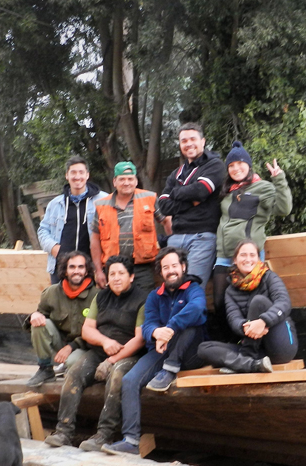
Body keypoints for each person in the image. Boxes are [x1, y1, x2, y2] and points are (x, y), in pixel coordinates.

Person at [102, 247, 207, 455]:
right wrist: (157, 332)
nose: (171, 271)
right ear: (161, 272)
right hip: (161, 350)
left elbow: (196, 309)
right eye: (165, 267)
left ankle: (170, 369)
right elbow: (148, 324)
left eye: (174, 266)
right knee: (129, 380)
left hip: (190, 354)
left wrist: (170, 327)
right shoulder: (154, 296)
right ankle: (131, 441)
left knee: (191, 325)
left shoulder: (193, 289)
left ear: (183, 267)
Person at [44, 255, 149, 450]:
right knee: (73, 373)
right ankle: (64, 431)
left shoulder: (142, 299)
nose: (116, 278)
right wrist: (105, 341)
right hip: (99, 351)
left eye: (121, 273)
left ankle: (104, 435)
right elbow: (87, 330)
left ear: (131, 277)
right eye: (112, 274)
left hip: (128, 354)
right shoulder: (100, 297)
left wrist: (112, 360)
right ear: (107, 278)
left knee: (117, 376)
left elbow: (139, 338)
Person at [212, 142, 292, 333]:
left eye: (240, 163)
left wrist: (278, 179)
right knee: (219, 301)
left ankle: (254, 346)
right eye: (231, 165)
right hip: (225, 255)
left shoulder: (261, 187)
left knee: (251, 303)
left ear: (248, 165)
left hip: (249, 256)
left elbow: (283, 209)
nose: (236, 168)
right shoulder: (228, 190)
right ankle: (232, 343)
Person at [197, 240, 298, 374]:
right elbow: (234, 320)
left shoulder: (269, 277)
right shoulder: (230, 290)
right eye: (243, 255)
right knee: (204, 348)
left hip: (280, 347)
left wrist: (263, 322)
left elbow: (284, 303)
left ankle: (243, 361)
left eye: (252, 255)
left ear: (258, 258)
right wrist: (248, 326)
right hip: (256, 352)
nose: (248, 259)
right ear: (235, 260)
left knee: (259, 302)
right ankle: (251, 365)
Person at [154, 123, 226, 288]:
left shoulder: (214, 165)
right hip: (176, 236)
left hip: (202, 236)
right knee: (171, 288)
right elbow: (163, 206)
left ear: (203, 141)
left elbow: (201, 191)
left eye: (193, 139)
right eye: (184, 141)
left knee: (191, 288)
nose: (188, 144)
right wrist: (191, 200)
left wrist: (176, 193)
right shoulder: (177, 173)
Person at [25, 250, 98, 386]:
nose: (77, 271)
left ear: (87, 271)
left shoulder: (98, 296)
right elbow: (41, 314)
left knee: (72, 363)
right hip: (61, 344)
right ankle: (45, 369)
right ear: (65, 271)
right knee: (40, 323)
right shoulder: (51, 293)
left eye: (81, 267)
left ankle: (72, 367)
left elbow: (100, 331)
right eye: (72, 267)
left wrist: (72, 346)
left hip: (86, 347)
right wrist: (34, 315)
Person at [90, 161, 160, 293]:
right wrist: (98, 271)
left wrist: (167, 253)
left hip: (142, 267)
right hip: (113, 268)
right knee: (116, 306)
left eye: (130, 179)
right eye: (122, 179)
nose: (126, 183)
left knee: (145, 305)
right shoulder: (101, 205)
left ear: (136, 181)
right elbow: (94, 240)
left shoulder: (149, 198)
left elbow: (167, 221)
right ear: (114, 182)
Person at [37, 155, 102, 283]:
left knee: (89, 302)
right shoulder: (55, 204)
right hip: (61, 267)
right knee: (60, 302)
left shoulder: (103, 201)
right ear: (67, 175)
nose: (77, 176)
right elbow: (43, 231)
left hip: (91, 267)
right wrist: (55, 249)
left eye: (81, 172)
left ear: (87, 175)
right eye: (73, 172)